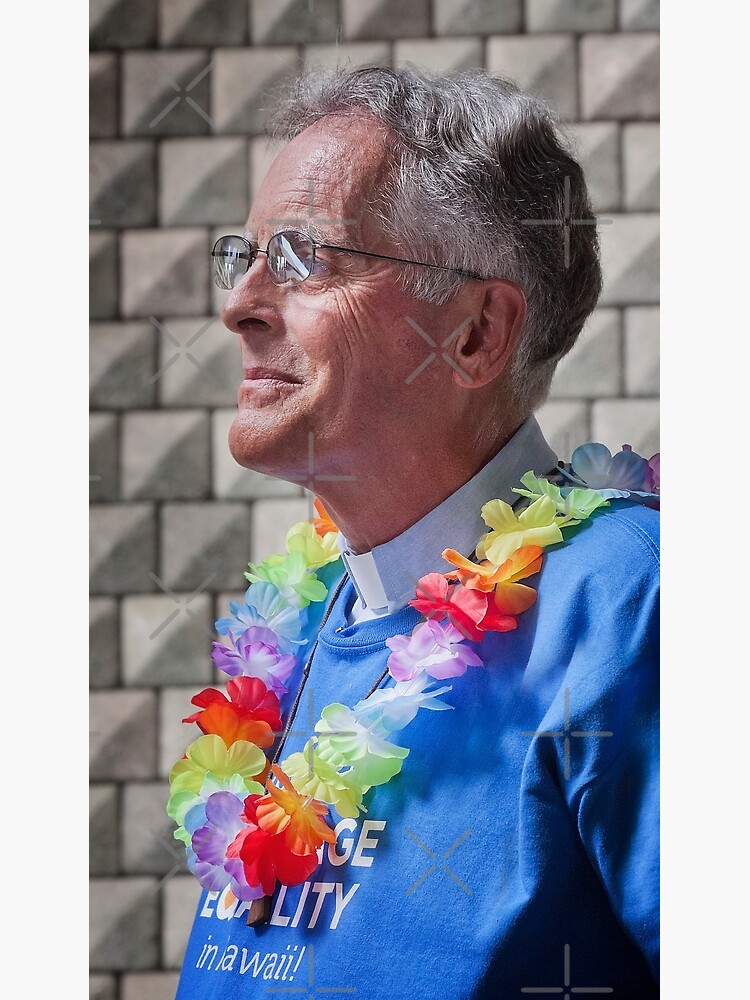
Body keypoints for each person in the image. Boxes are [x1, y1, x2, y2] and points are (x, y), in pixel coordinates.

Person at [171, 66, 659, 998]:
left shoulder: (631, 601)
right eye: (246, 255)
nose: (239, 305)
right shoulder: (293, 624)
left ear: (475, 334)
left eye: (303, 257)